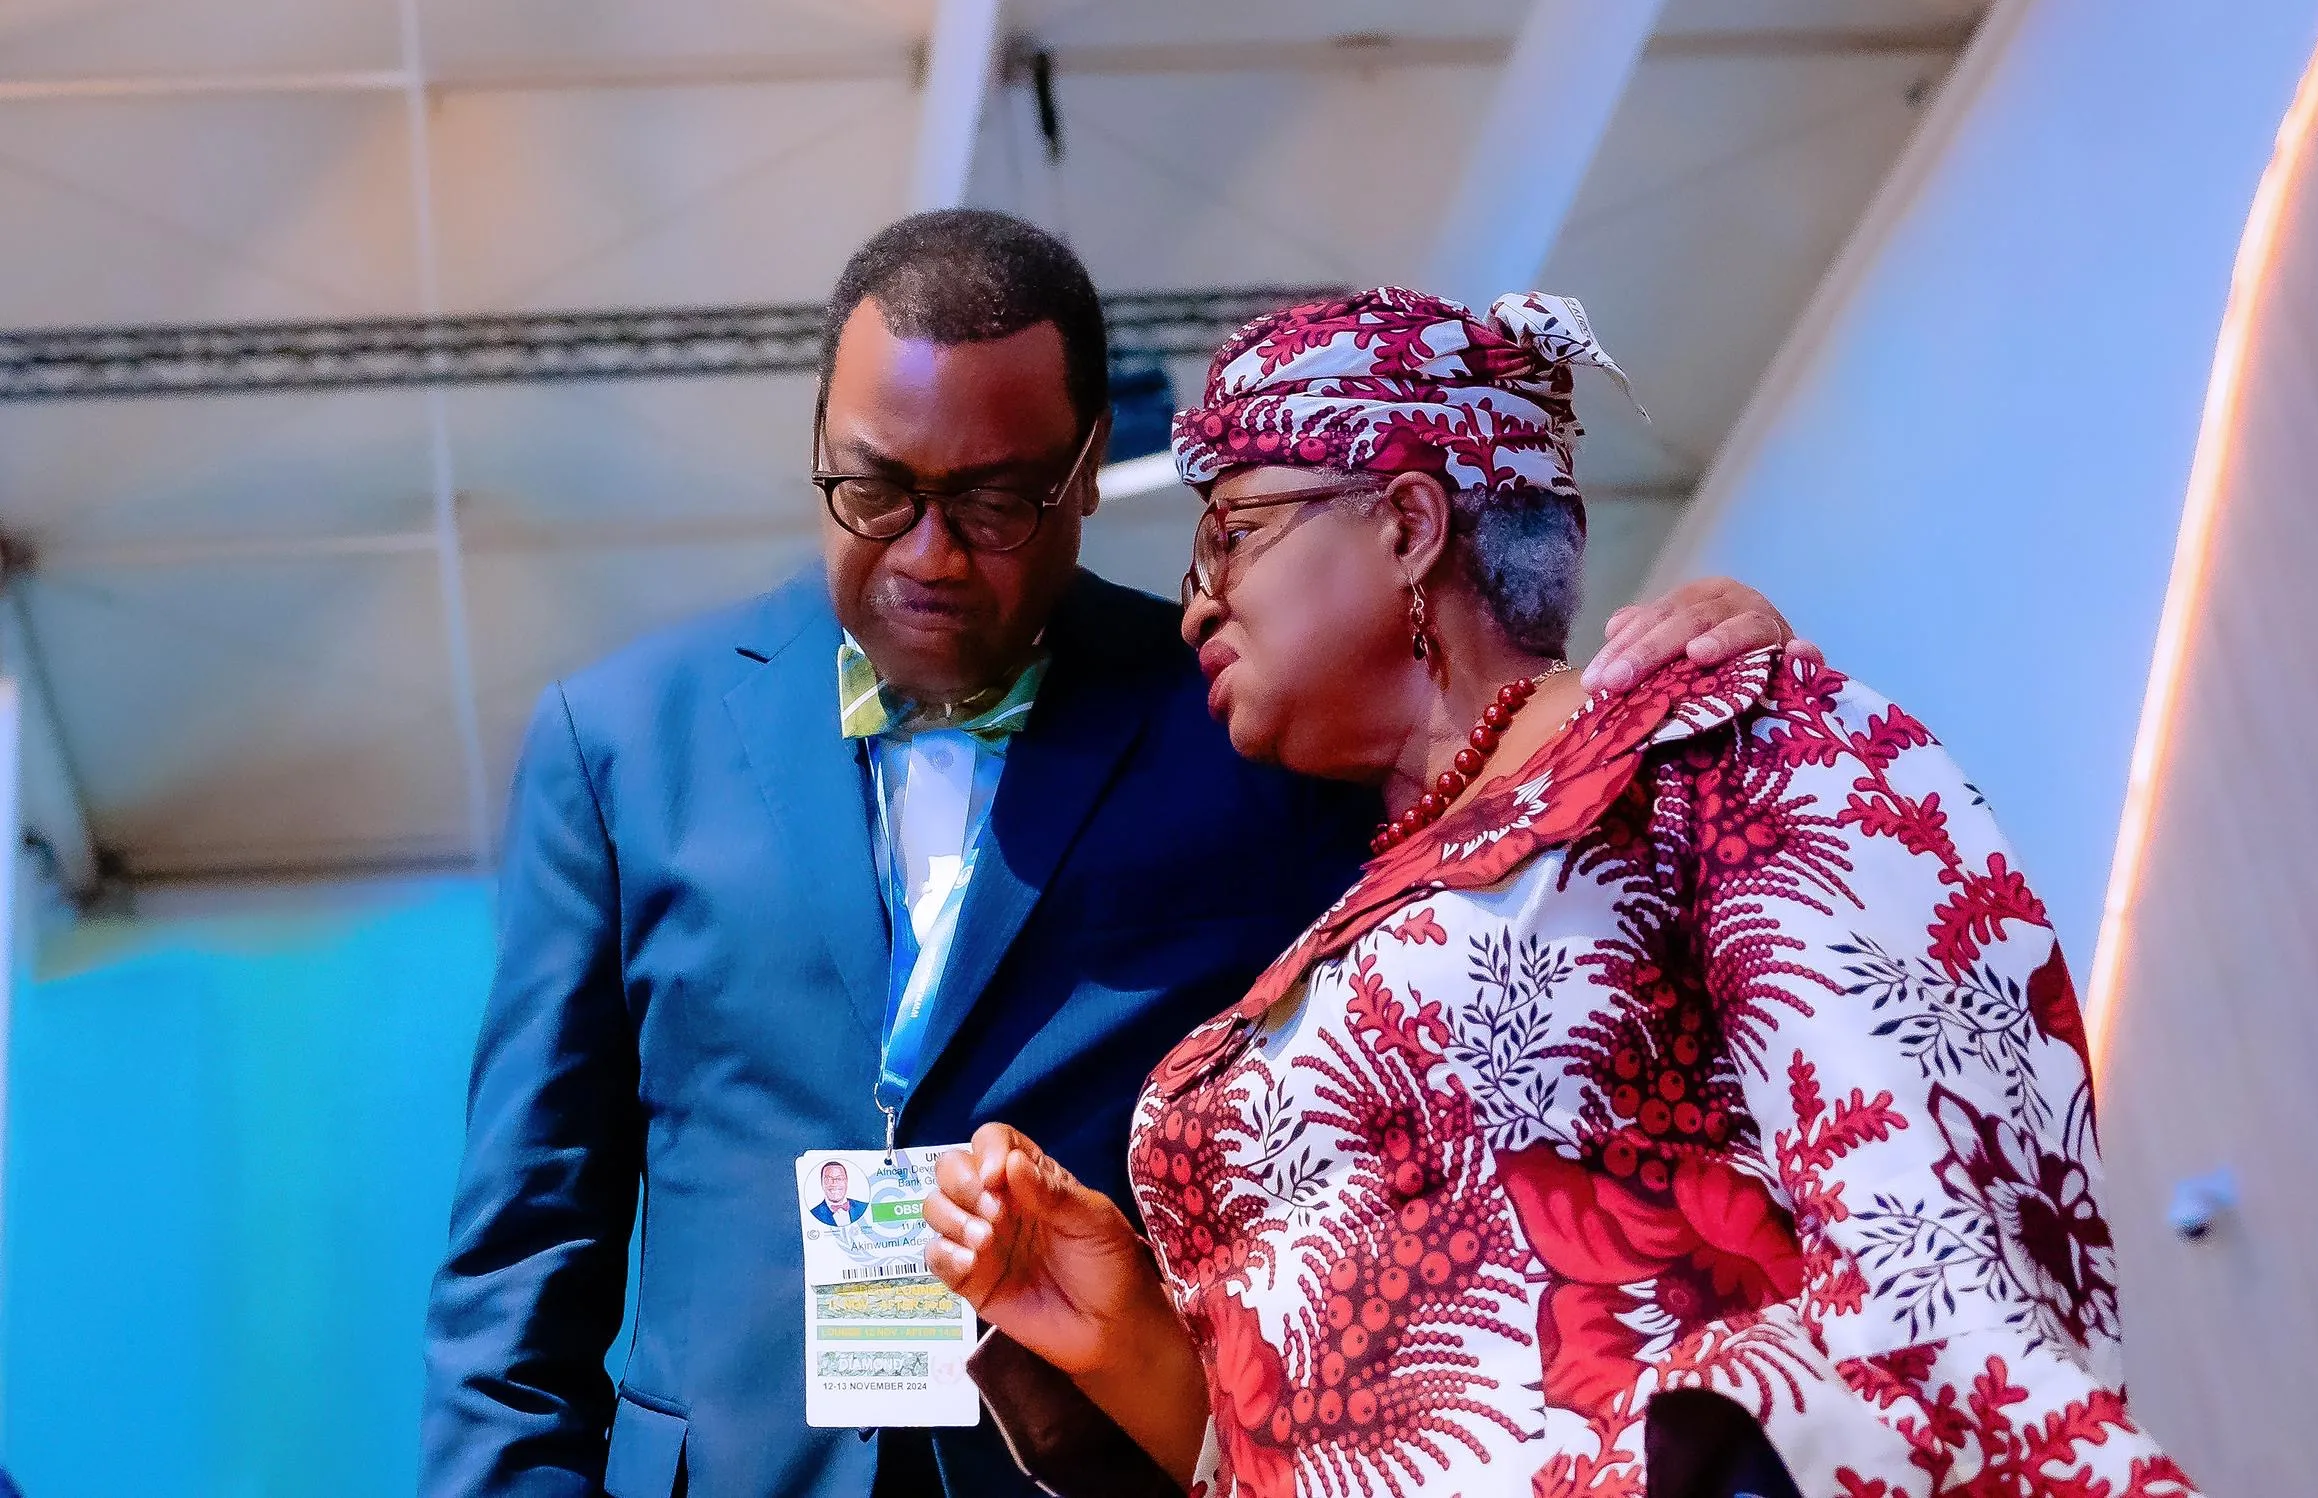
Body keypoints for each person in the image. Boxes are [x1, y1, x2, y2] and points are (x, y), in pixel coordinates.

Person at [418, 215, 1794, 1498]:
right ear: (817, 444)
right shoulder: (618, 742)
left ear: (1088, 474)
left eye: (996, 502)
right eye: (874, 490)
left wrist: (1667, 682)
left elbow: (1496, 807)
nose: (929, 552)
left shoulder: (1240, 714)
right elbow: (529, 1247)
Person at [925, 288, 2200, 1497]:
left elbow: (1941, 1261)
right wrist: (1128, 1334)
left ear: (1409, 523)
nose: (1196, 601)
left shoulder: (1714, 749)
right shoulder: (1314, 929)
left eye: (1234, 532)